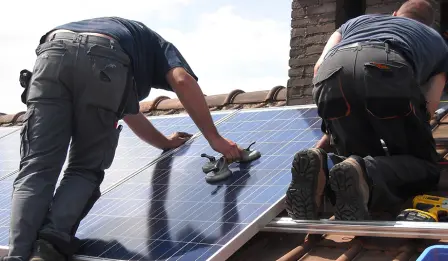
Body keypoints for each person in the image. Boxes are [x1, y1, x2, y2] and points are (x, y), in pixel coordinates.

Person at [4, 17, 244, 261]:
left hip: (52, 51)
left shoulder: (128, 37)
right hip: (106, 58)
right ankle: (48, 245)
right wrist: (216, 139)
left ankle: (18, 255)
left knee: (37, 167)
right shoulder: (160, 47)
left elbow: (127, 111)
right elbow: (183, 80)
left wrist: (165, 143)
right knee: (84, 168)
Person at [285, 0, 448, 222]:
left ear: (394, 14)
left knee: (354, 159)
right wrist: (413, 130)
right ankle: (366, 172)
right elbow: (429, 104)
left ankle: (323, 166)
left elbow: (318, 66)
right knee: (425, 166)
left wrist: (333, 126)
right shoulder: (436, 41)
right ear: (429, 24)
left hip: (330, 74)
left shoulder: (354, 23)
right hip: (385, 67)